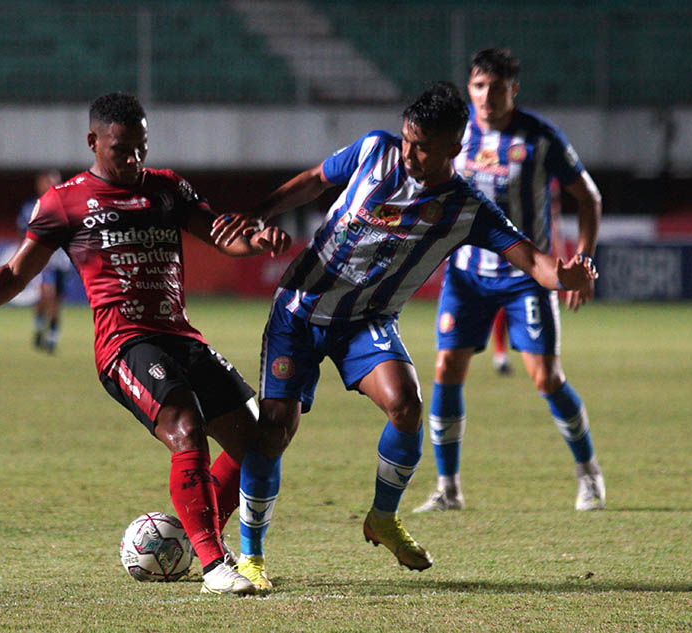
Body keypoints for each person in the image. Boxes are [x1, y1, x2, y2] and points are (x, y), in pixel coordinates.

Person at [210, 82, 596, 592]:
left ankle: (383, 518)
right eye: (408, 140)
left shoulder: (466, 208)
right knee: (274, 431)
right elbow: (314, 180)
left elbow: (531, 259)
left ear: (454, 147)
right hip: (300, 312)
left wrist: (563, 275)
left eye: (423, 147)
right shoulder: (375, 149)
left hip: (367, 321)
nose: (410, 153)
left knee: (407, 406)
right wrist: (263, 211)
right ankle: (252, 557)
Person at [0, 92, 291, 597]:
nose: (134, 159)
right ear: (93, 141)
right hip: (125, 344)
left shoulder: (167, 188)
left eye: (141, 148)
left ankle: (195, 533)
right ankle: (213, 564)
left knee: (260, 444)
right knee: (185, 427)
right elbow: (16, 272)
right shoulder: (64, 203)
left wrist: (257, 241)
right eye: (121, 150)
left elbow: (223, 236)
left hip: (181, 336)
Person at [413, 48, 605, 515]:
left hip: (527, 277)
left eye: (496, 88)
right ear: (469, 88)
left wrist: (582, 261)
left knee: (547, 377)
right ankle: (448, 488)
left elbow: (589, 198)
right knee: (445, 368)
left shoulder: (541, 138)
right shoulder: (457, 134)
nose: (486, 97)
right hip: (467, 275)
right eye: (478, 87)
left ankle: (589, 474)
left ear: (513, 90)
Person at [17, 170, 70, 353]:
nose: (51, 187)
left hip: (62, 259)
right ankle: (44, 330)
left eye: (55, 183)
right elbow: (24, 232)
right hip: (42, 258)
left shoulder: (67, 206)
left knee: (57, 301)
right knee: (47, 294)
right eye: (47, 183)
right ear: (39, 185)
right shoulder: (31, 207)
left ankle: (51, 333)